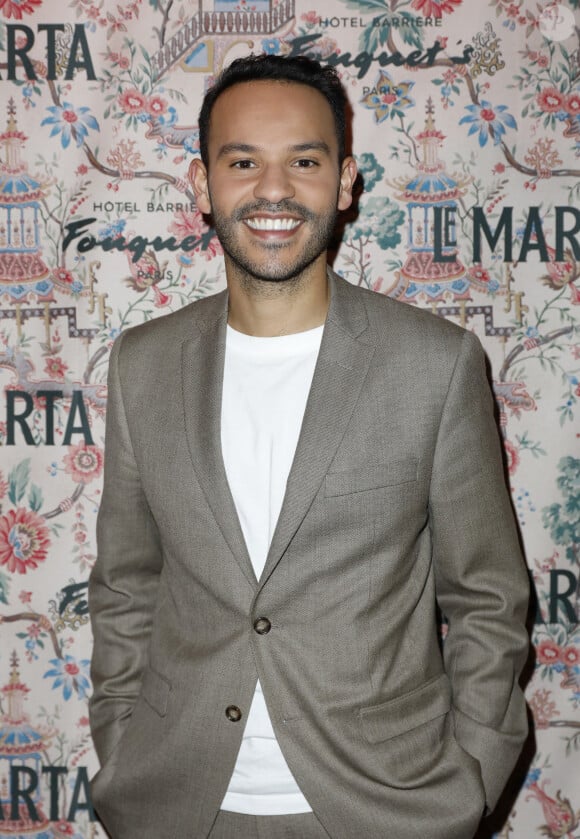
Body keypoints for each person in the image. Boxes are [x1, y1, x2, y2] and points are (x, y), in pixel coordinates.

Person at [88, 53, 530, 839]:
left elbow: (488, 598)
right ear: (201, 184)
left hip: (384, 808)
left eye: (304, 160)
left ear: (346, 180)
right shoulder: (141, 365)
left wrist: (470, 777)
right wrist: (121, 742)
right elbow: (127, 586)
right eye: (243, 161)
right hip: (180, 802)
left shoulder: (435, 363)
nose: (273, 190)